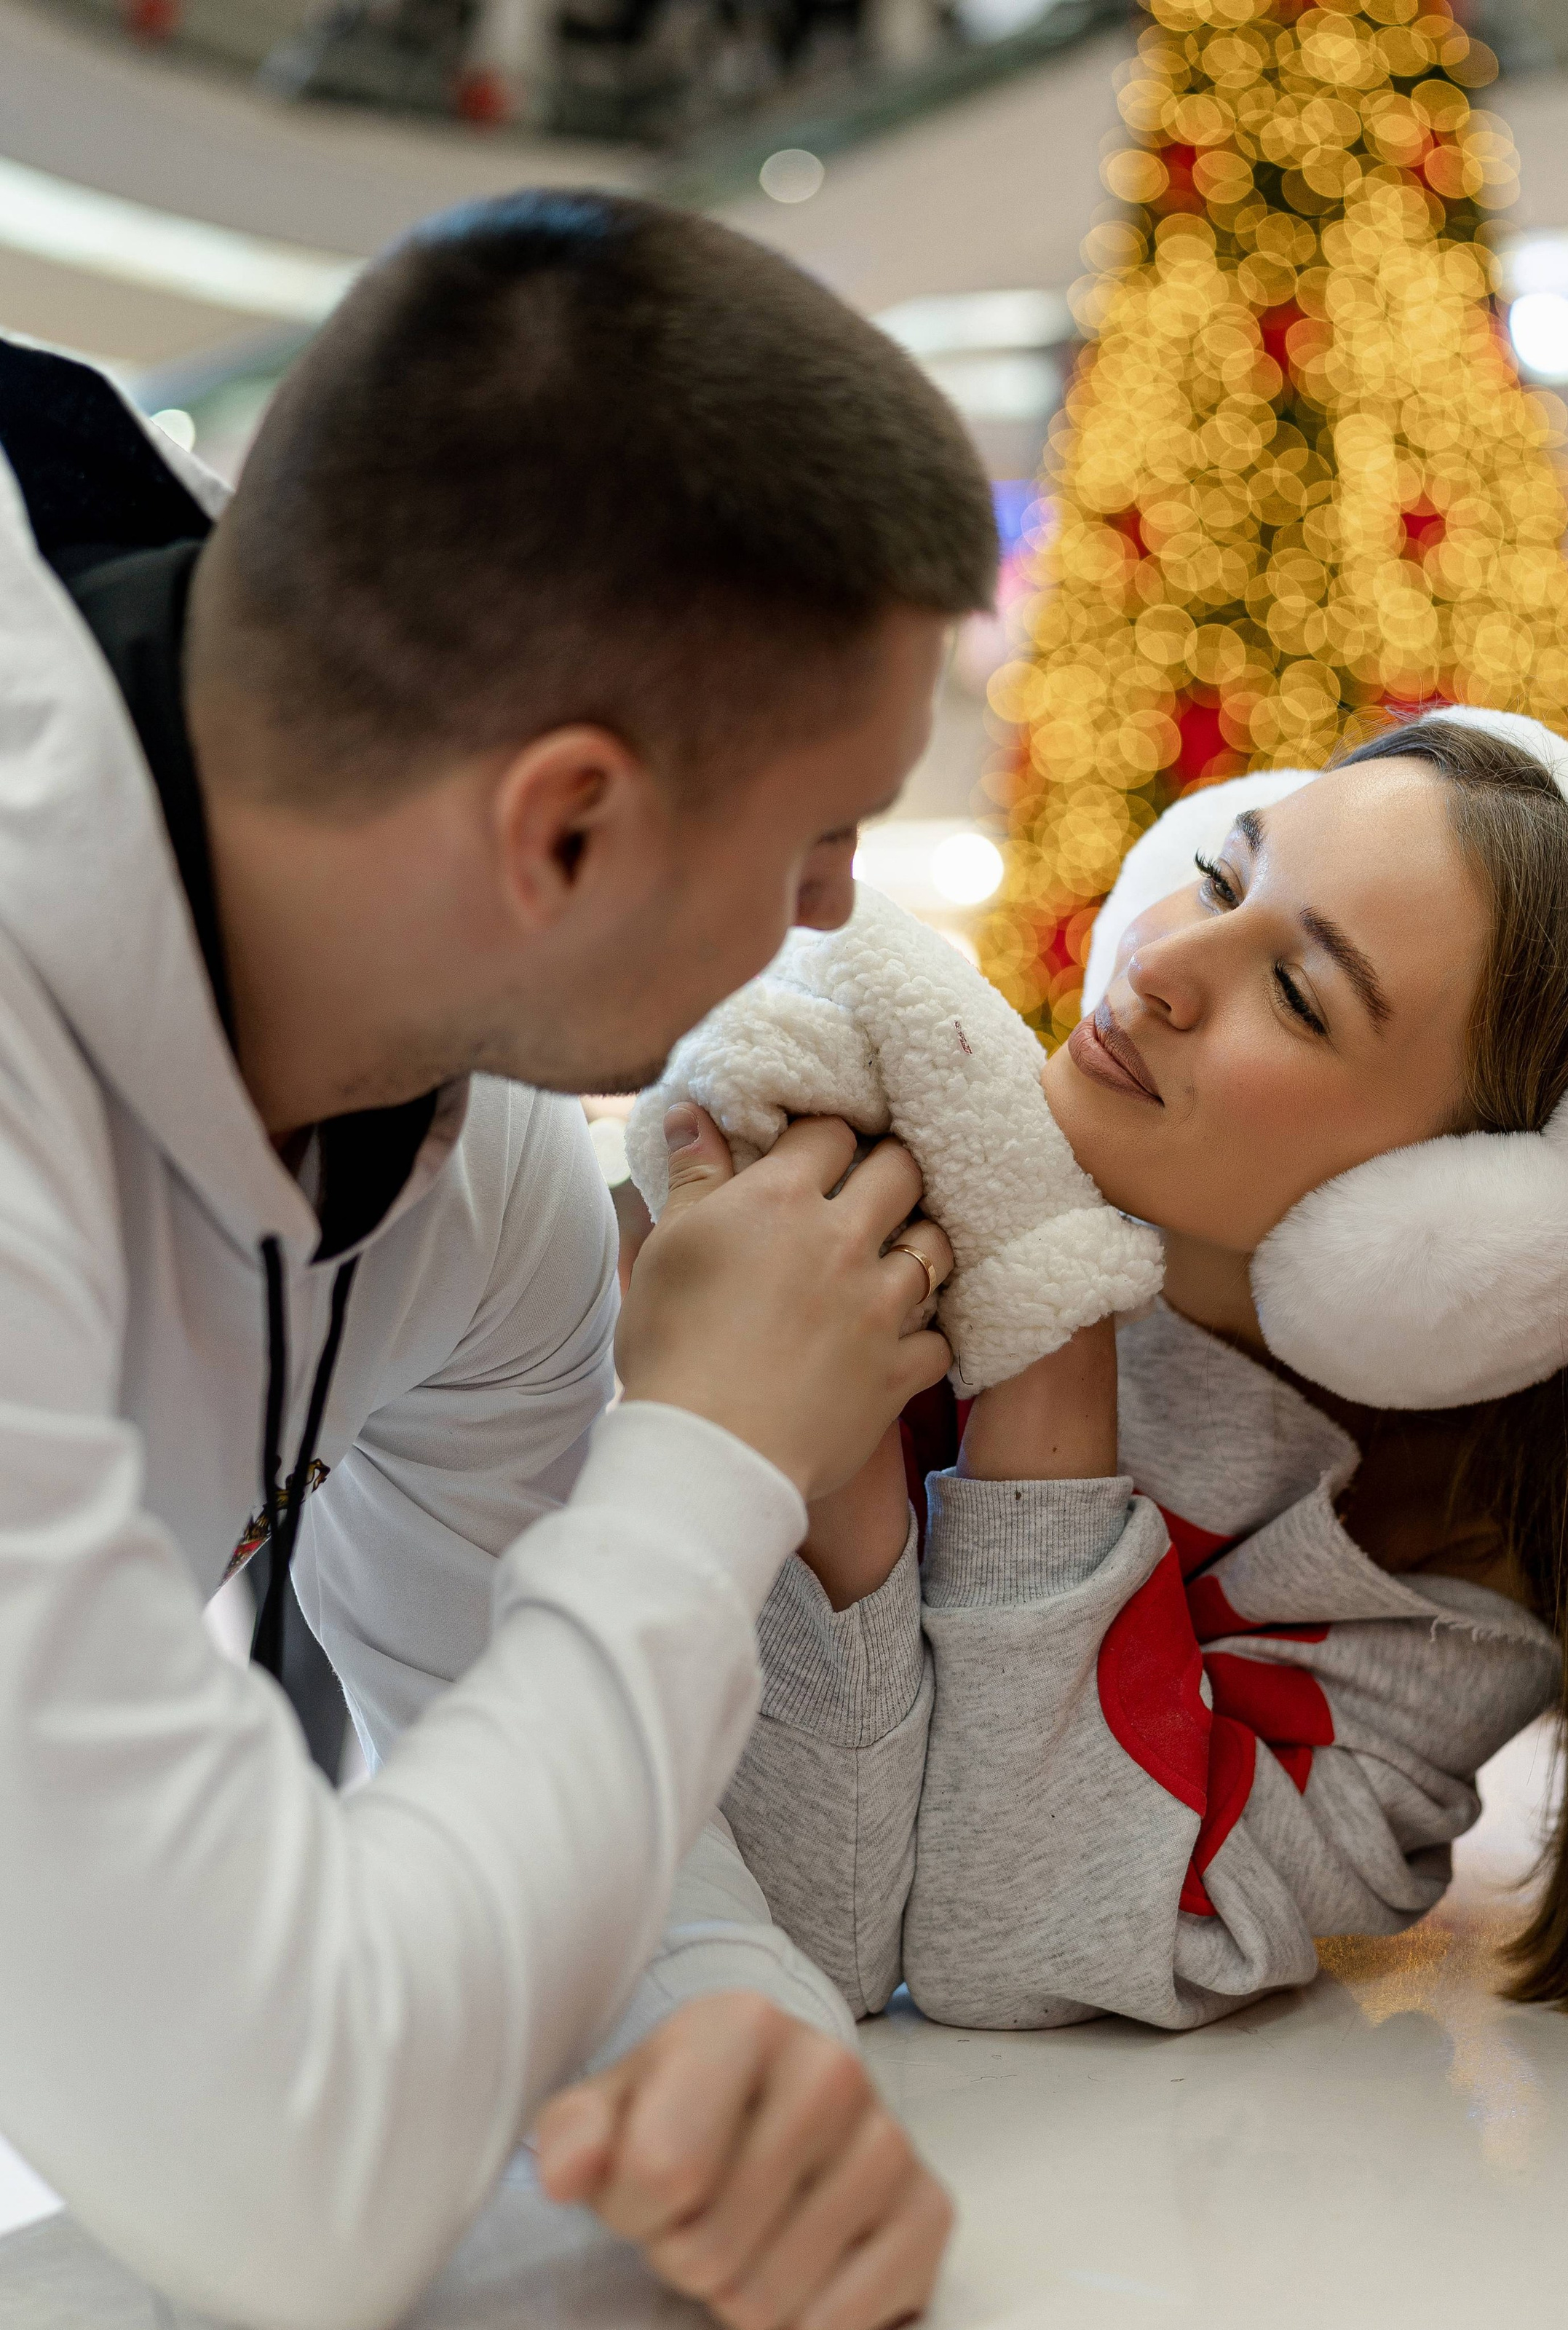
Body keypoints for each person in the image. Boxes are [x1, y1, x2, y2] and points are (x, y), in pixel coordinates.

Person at [0, 190, 1001, 2330]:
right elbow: (293, 2191)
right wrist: (710, 1447)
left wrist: (730, 2044)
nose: (834, 912)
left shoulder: (479, 1165)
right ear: (565, 827)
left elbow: (523, 1740)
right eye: (818, 834)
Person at [711, 711, 1568, 2040]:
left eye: (1300, 994)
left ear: (1460, 1236)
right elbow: (776, 1924)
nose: (1160, 962)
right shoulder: (818, 1180)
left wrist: (1047, 1335)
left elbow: (1001, 1945)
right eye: (1220, 875)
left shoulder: (1425, 1616)